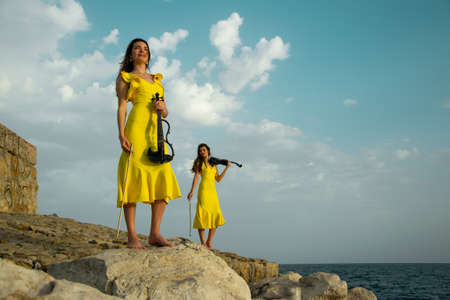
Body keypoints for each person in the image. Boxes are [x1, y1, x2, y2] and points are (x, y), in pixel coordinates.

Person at [116, 38, 181, 249]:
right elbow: (122, 106)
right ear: (130, 54)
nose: (142, 51)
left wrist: (163, 108)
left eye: (145, 49)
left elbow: (166, 110)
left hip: (156, 133)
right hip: (136, 130)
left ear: (149, 55)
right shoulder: (126, 77)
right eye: (137, 48)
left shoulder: (157, 80)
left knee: (163, 176)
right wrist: (121, 134)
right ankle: (132, 236)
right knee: (132, 178)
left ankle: (154, 233)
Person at [187, 143, 231, 249]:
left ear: (208, 151)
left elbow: (218, 179)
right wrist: (192, 191)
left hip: (213, 193)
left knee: (215, 216)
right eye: (200, 151)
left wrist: (227, 168)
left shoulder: (214, 164)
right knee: (202, 215)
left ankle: (209, 241)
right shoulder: (199, 162)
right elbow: (196, 177)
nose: (202, 152)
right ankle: (203, 243)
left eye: (204, 150)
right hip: (203, 192)